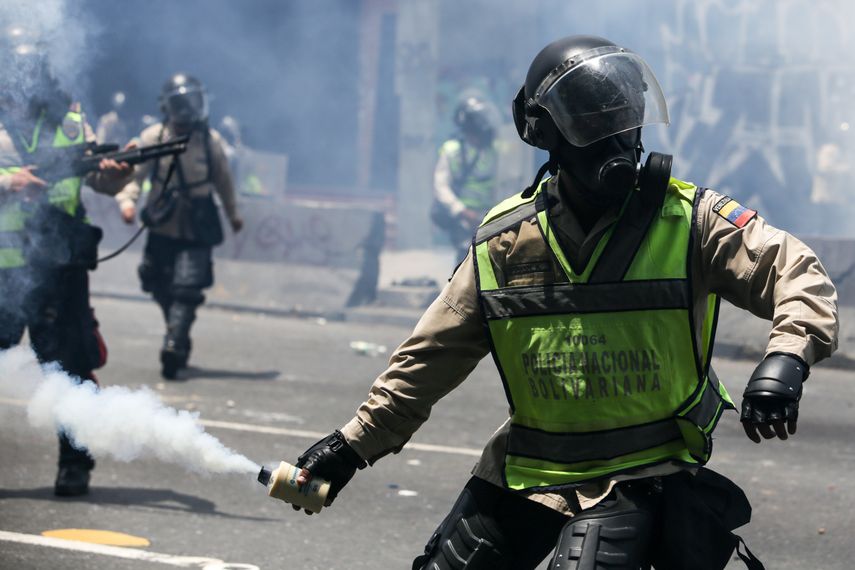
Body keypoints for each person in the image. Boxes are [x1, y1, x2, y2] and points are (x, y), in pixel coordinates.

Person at [285, 35, 840, 568]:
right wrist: (352, 445)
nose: (620, 145)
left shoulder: (691, 220)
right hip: (527, 473)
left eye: (626, 125)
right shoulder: (504, 242)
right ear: (545, 135)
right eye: (596, 128)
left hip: (643, 475)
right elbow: (429, 359)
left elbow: (793, 270)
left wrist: (785, 361)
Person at [0, 27, 133, 496]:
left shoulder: (70, 117)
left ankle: (74, 465)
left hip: (58, 267)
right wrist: (9, 180)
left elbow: (101, 180)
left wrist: (119, 173)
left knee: (71, 369)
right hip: (4, 266)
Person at [115, 73, 243, 380]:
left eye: (191, 103)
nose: (186, 111)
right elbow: (134, 175)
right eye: (180, 104)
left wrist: (232, 213)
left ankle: (173, 342)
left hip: (198, 223)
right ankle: (178, 329)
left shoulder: (210, 141)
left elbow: (223, 181)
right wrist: (127, 202)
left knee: (187, 287)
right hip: (162, 222)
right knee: (156, 281)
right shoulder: (153, 137)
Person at [432, 96, 499, 262]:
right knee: (465, 259)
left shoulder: (491, 151)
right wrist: (461, 210)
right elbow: (441, 186)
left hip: (487, 216)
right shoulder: (452, 150)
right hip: (462, 217)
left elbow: (497, 185)